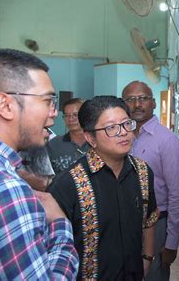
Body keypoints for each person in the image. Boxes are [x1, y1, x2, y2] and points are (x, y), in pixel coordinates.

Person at [49, 96, 158, 280]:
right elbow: (55, 245)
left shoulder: (142, 172)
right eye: (111, 128)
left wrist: (147, 258)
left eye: (126, 124)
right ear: (90, 137)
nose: (123, 133)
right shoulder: (68, 184)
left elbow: (149, 219)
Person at [0, 48, 79, 279]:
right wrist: (60, 222)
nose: (53, 114)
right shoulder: (8, 189)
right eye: (47, 101)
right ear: (5, 105)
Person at [122, 81, 179, 281]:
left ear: (154, 103)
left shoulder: (166, 140)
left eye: (143, 98)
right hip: (124, 223)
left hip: (157, 225)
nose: (137, 104)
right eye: (131, 99)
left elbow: (177, 194)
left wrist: (172, 243)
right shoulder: (119, 136)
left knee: (153, 276)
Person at [47, 97, 89, 174]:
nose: (70, 119)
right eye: (66, 115)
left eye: (75, 115)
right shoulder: (53, 145)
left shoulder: (97, 143)